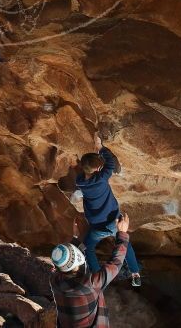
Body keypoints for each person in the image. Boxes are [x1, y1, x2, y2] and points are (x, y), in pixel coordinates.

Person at [72, 131, 141, 286]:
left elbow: (93, 169)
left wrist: (95, 161)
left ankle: (97, 277)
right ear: (98, 169)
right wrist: (100, 148)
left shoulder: (80, 181)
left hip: (96, 226)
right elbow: (110, 163)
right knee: (124, 243)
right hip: (113, 222)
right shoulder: (102, 179)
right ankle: (135, 273)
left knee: (88, 248)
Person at [50, 214, 131, 327]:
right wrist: (122, 234)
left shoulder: (55, 280)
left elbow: (68, 263)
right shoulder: (90, 284)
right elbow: (116, 263)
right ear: (79, 258)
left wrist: (76, 238)